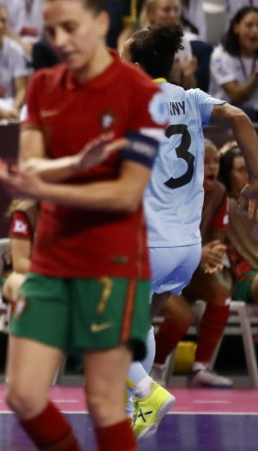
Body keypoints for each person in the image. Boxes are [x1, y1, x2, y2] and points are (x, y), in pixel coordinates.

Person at [0, 0, 169, 449]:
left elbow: (126, 193)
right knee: (25, 395)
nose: (60, 41)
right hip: (50, 262)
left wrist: (51, 185)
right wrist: (74, 163)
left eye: (71, 27)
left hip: (113, 263)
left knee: (105, 403)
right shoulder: (43, 86)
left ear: (102, 22)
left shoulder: (143, 94)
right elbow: (31, 166)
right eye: (52, 31)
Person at [122, 22, 258, 438]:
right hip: (187, 248)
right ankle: (134, 412)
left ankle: (146, 391)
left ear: (137, 66)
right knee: (139, 324)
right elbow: (238, 114)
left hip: (151, 242)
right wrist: (255, 179)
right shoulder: (191, 98)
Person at [149, 142, 234, 389]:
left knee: (220, 291)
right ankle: (156, 368)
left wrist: (213, 258)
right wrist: (198, 253)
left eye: (216, 162)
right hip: (159, 270)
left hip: (189, 267)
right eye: (205, 162)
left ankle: (200, 369)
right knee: (182, 316)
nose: (212, 167)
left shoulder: (218, 192)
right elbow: (162, 243)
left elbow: (217, 239)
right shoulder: (171, 190)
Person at [222, 143, 258, 306]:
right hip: (244, 278)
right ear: (228, 175)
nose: (248, 175)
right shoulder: (222, 204)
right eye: (241, 170)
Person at [210, 7, 258, 121]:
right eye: (249, 25)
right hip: (225, 116)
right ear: (236, 27)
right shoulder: (220, 56)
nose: (255, 31)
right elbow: (237, 95)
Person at [139, 0, 198, 89]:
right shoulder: (140, 42)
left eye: (176, 10)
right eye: (166, 10)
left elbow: (190, 89)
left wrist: (188, 76)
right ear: (151, 13)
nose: (173, 15)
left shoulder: (183, 42)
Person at [1, 199, 39, 304]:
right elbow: (20, 263)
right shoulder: (26, 211)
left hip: (60, 275)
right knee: (23, 286)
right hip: (21, 273)